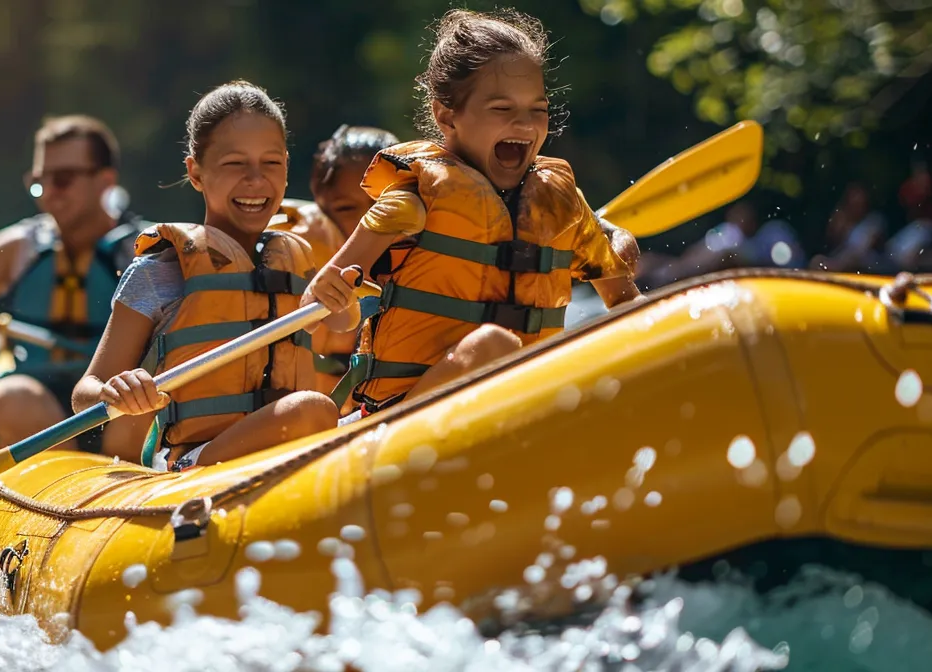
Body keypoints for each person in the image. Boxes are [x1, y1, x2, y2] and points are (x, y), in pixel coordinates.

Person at [300, 8, 644, 417]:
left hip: (524, 400)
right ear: (446, 115)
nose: (526, 124)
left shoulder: (560, 201)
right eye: (502, 109)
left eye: (538, 109)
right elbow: (324, 316)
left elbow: (626, 304)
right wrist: (334, 298)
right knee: (493, 346)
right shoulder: (412, 201)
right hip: (406, 414)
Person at [73, 81, 342, 471]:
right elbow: (85, 393)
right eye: (235, 164)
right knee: (311, 409)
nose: (255, 180)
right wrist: (115, 391)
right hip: (196, 464)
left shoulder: (299, 261)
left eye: (271, 163)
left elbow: (346, 323)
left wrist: (343, 300)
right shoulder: (159, 272)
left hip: (287, 448)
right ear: (195, 173)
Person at [0, 115, 142, 452]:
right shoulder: (21, 247)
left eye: (62, 180)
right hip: (39, 409)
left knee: (143, 407)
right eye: (39, 181)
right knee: (11, 396)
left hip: (119, 407)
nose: (48, 193)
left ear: (105, 181)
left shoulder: (145, 249)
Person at [268, 125, 401, 401]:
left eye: (382, 206)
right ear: (321, 205)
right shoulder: (293, 254)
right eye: (347, 208)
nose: (369, 221)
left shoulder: (427, 259)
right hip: (308, 410)